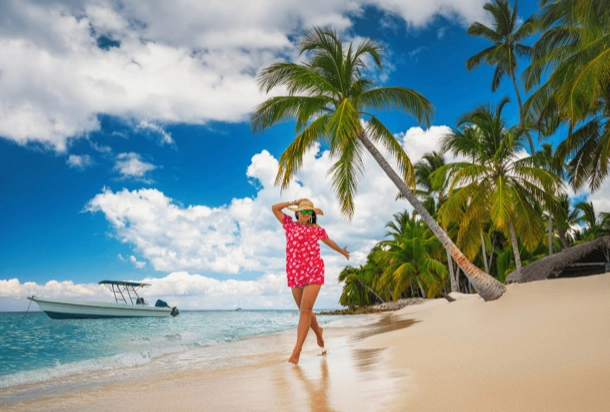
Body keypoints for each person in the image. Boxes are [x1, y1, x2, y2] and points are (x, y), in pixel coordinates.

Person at [272, 198, 350, 364]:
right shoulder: (289, 224)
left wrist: (341, 251)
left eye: (310, 212)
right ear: (298, 212)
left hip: (314, 270)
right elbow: (275, 208)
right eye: (304, 211)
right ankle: (318, 332)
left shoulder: (316, 229)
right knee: (303, 310)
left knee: (306, 310)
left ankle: (297, 350)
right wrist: (293, 202)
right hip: (294, 272)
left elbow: (330, 242)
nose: (307, 215)